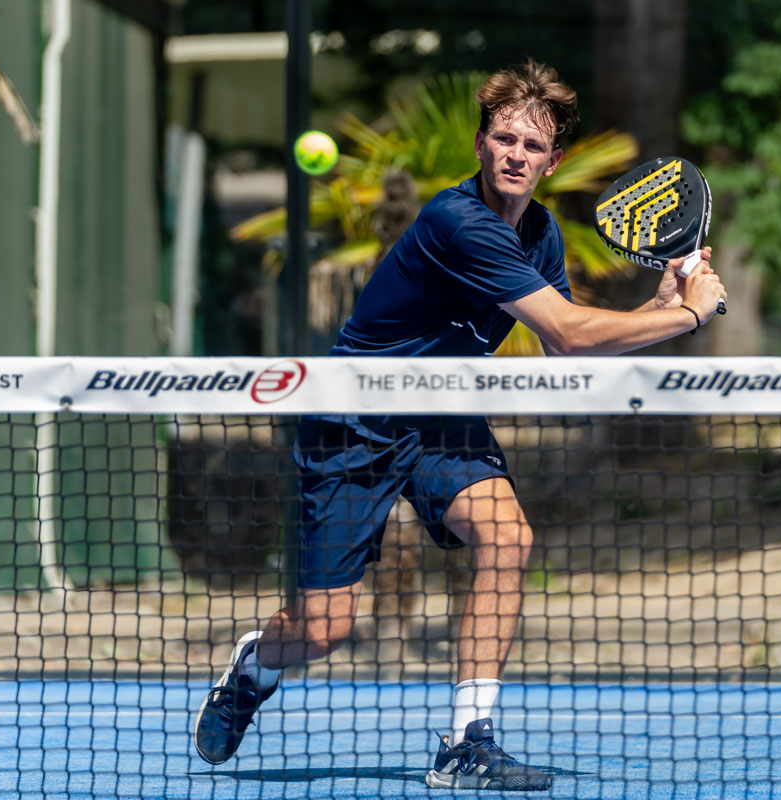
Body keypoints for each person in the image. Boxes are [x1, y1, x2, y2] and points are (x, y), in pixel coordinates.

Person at [194, 59, 727, 791]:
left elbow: (563, 349)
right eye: (504, 138)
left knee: (508, 536)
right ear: (480, 144)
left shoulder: (538, 233)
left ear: (553, 161)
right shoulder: (457, 221)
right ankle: (253, 668)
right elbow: (572, 334)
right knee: (327, 629)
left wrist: (661, 305)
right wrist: (687, 313)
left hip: (443, 414)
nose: (516, 155)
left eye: (532, 147)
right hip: (356, 419)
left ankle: (466, 741)